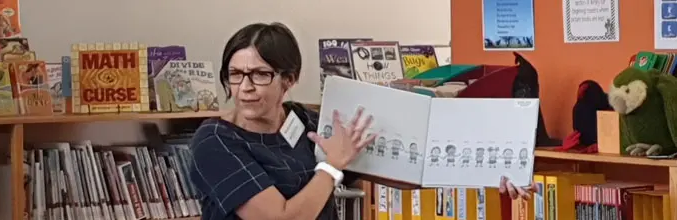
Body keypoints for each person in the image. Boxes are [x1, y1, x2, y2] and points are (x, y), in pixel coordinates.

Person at [188, 22, 534, 220]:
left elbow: (400, 171)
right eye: (235, 74)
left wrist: (493, 177)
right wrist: (332, 166)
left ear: (289, 79)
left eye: (260, 74)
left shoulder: (303, 120)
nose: (245, 87)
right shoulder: (215, 140)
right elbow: (280, 218)